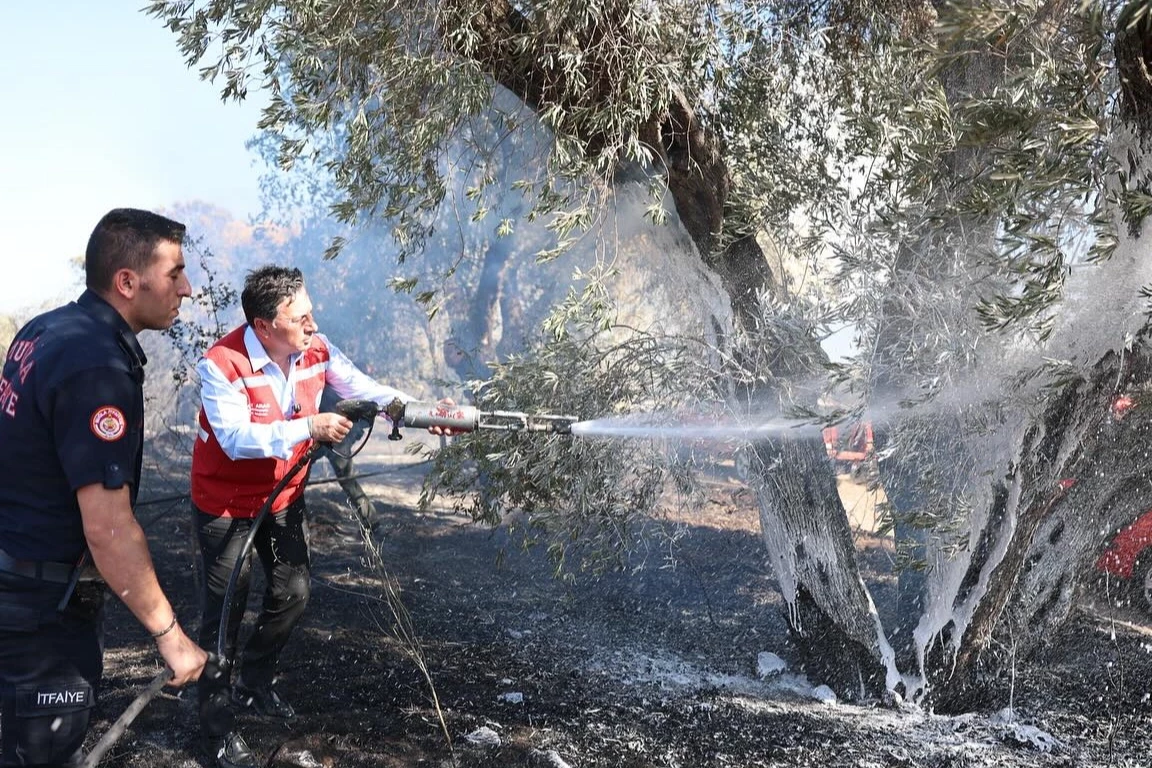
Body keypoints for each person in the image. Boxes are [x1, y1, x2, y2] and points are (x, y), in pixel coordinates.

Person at [191, 265, 455, 768]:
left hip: (283, 497)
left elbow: (368, 391)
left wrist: (421, 413)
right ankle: (216, 730)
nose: (313, 324)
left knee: (292, 594)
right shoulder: (221, 364)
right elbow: (235, 438)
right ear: (265, 327)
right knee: (224, 613)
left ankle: (254, 683)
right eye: (300, 317)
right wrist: (307, 426)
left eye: (311, 312)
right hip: (225, 506)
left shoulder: (316, 348)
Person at [0, 208, 208, 767]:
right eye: (175, 274)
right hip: (37, 615)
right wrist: (170, 634)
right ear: (126, 281)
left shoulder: (45, 329)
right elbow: (109, 527)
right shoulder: (96, 366)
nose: (186, 289)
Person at [317, 384, 377, 526]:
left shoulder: (335, 384)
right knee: (298, 483)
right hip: (317, 437)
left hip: (336, 440)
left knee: (348, 481)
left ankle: (371, 521)